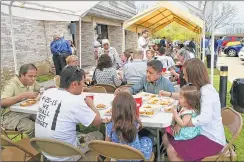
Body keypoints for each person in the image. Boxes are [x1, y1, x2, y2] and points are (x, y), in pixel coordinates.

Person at [160, 58, 226, 161]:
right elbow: (186, 96)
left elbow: (204, 119)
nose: (184, 77)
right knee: (165, 137)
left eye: (186, 74)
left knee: (171, 149)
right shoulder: (200, 88)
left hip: (211, 138)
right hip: (200, 132)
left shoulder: (207, 92)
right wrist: (169, 94)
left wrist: (182, 123)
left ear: (194, 75)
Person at [35, 66, 103, 161]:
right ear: (74, 84)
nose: (84, 85)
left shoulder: (47, 92)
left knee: (77, 133)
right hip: (67, 155)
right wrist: (91, 104)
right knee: (98, 134)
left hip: (45, 150)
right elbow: (97, 121)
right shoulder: (74, 101)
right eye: (83, 82)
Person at [105, 92, 153, 160]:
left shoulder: (109, 125)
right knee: (148, 137)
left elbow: (106, 145)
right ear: (132, 109)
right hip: (137, 157)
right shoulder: (135, 123)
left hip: (118, 158)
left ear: (114, 109)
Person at [1, 64, 40, 137]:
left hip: (26, 111)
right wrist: (23, 95)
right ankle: (38, 147)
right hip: (9, 115)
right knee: (33, 127)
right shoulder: (11, 84)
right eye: (30, 76)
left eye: (35, 76)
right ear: (22, 75)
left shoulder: (32, 81)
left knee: (44, 121)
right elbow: (2, 102)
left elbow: (40, 90)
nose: (33, 79)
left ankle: (47, 143)